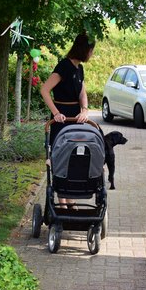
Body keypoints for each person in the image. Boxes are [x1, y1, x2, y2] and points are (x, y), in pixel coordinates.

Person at [40, 32, 95, 208]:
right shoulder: (64, 66)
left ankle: (69, 196)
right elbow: (44, 90)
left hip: (75, 118)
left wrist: (85, 110)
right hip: (61, 118)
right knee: (60, 156)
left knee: (74, 155)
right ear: (84, 49)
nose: (92, 53)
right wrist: (56, 113)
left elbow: (82, 93)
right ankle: (62, 200)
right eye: (91, 50)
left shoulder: (80, 68)